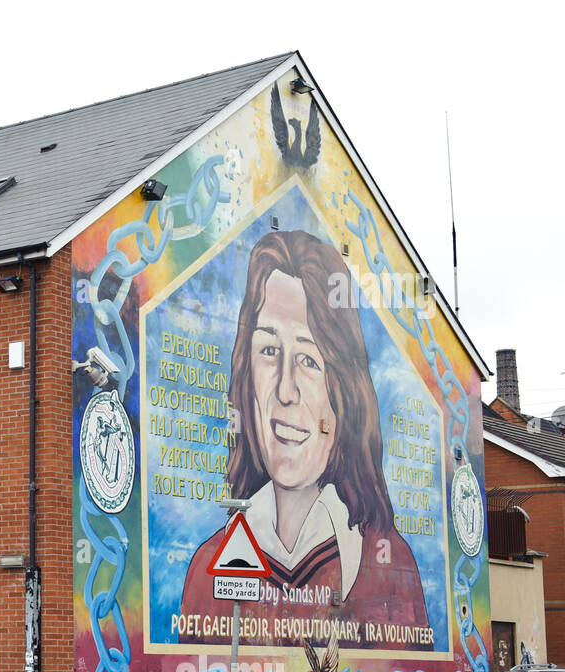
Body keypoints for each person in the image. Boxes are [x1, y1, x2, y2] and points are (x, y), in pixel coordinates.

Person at [180, 230, 428, 642]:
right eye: (269, 351)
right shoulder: (210, 568)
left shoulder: (387, 564)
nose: (285, 389)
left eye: (309, 359)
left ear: (344, 391)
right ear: (246, 374)